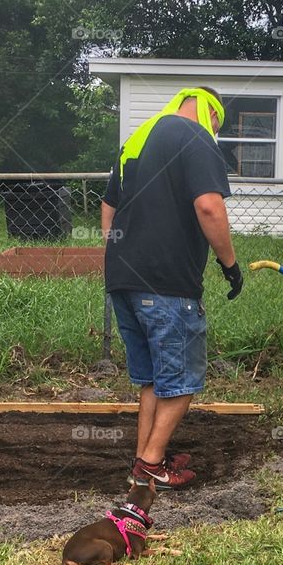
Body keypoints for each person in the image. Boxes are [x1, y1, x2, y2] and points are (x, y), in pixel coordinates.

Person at [101, 86, 243, 489]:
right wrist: (230, 265)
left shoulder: (136, 139)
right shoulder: (195, 135)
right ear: (210, 112)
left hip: (123, 280)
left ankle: (143, 461)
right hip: (167, 284)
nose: (215, 130)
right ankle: (151, 465)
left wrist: (121, 256)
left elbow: (108, 208)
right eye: (218, 124)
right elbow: (209, 206)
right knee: (182, 382)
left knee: (151, 379)